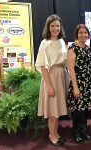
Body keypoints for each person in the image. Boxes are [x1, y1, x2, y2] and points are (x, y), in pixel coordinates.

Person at [35, 14, 68, 146]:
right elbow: (43, 66)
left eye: (57, 26)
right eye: (53, 26)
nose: (55, 28)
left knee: (57, 108)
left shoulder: (61, 41)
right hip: (52, 77)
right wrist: (49, 86)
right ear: (48, 27)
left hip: (61, 76)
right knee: (52, 111)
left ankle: (54, 132)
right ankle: (52, 134)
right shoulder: (45, 43)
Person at [67, 24, 91, 144]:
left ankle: (84, 130)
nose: (83, 35)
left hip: (87, 83)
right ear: (77, 35)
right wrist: (75, 87)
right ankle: (76, 132)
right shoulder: (72, 48)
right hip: (77, 83)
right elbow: (71, 69)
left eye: (85, 33)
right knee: (77, 110)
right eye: (81, 33)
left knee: (84, 110)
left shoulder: (87, 48)